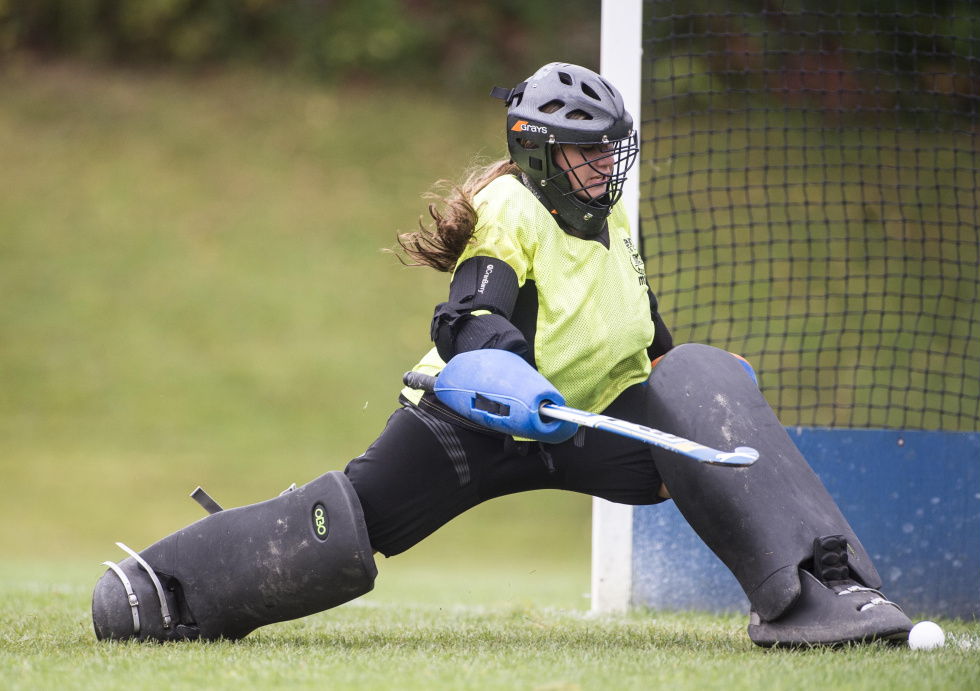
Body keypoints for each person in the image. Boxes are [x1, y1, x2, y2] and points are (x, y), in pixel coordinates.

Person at [91, 62, 913, 648]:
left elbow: (649, 342)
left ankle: (820, 596)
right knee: (351, 526)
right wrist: (505, 376)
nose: (603, 165)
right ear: (540, 155)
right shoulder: (511, 214)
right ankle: (167, 590)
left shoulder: (614, 225)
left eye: (607, 148)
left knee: (696, 382)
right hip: (471, 422)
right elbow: (470, 317)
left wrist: (707, 396)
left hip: (585, 423)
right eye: (585, 151)